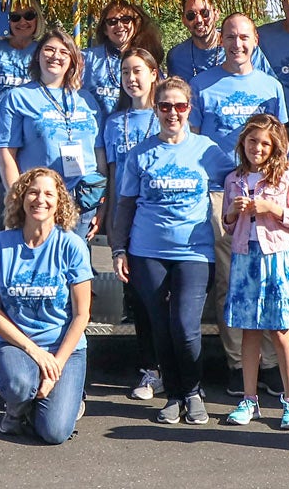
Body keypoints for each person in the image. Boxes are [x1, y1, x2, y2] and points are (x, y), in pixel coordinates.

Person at [109, 76, 235, 425]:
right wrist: (119, 250)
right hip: (147, 250)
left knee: (185, 325)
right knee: (160, 326)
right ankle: (174, 395)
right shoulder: (141, 153)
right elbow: (126, 205)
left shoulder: (206, 149)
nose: (173, 113)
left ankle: (193, 391)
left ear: (189, 109)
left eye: (180, 106)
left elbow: (239, 178)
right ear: (156, 109)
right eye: (165, 107)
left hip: (195, 251)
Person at [192, 13, 288, 394]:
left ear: (255, 40)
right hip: (222, 190)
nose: (237, 44)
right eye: (230, 36)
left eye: (244, 37)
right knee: (231, 281)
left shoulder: (270, 86)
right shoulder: (203, 85)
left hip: (264, 191)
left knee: (266, 277)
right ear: (221, 39)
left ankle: (268, 363)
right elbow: (193, 139)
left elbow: (279, 144)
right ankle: (236, 363)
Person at [0, 168, 95, 445]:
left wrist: (55, 365)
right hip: (14, 344)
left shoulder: (72, 245)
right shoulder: (1, 244)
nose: (39, 199)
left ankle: (59, 397)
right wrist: (34, 352)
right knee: (21, 384)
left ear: (59, 202)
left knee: (55, 433)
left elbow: (82, 315)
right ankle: (17, 407)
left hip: (62, 347)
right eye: (32, 192)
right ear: (21, 199)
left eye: (48, 193)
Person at [219, 114, 289, 430]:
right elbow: (227, 225)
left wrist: (272, 209)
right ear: (242, 143)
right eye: (252, 141)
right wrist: (232, 211)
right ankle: (249, 399)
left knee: (281, 330)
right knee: (249, 329)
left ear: (274, 147)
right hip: (246, 259)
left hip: (278, 259)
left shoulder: (285, 177)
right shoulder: (233, 179)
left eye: (264, 143)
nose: (257, 148)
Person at [97, 48, 165, 402]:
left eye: (138, 71)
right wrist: (108, 218)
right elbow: (110, 174)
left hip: (163, 218)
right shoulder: (113, 122)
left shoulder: (168, 115)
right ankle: (150, 368)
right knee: (141, 299)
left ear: (155, 74)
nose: (132, 78)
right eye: (126, 72)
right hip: (128, 219)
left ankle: (174, 367)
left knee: (168, 299)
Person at [0, 29, 102, 237]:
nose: (55, 56)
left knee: (75, 265)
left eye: (64, 52)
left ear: (73, 60)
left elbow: (99, 154)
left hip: (83, 199)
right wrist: (17, 200)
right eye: (49, 50)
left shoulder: (86, 99)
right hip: (39, 201)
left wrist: (102, 204)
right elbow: (5, 153)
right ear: (38, 55)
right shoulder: (18, 98)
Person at [82, 0, 166, 116]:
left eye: (126, 20)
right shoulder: (87, 58)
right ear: (105, 29)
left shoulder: (146, 59)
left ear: (135, 24)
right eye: (112, 22)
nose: (119, 25)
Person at [165, 0, 273, 81]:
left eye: (205, 13)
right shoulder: (176, 56)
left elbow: (268, 84)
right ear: (184, 20)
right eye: (191, 16)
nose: (199, 20)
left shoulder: (241, 46)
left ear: (216, 14)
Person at [0, 4, 42, 91]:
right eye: (15, 17)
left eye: (29, 16)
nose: (22, 22)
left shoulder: (44, 53)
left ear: (37, 19)